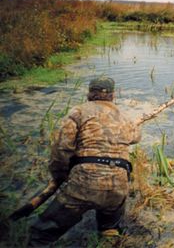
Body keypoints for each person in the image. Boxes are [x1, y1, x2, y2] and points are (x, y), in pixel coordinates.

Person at [28, 77, 142, 246]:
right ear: (113, 95)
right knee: (110, 229)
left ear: (89, 93)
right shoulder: (125, 117)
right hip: (118, 186)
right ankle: (109, 235)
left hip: (84, 185)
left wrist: (60, 176)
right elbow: (135, 137)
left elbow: (61, 149)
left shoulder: (79, 112)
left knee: (42, 233)